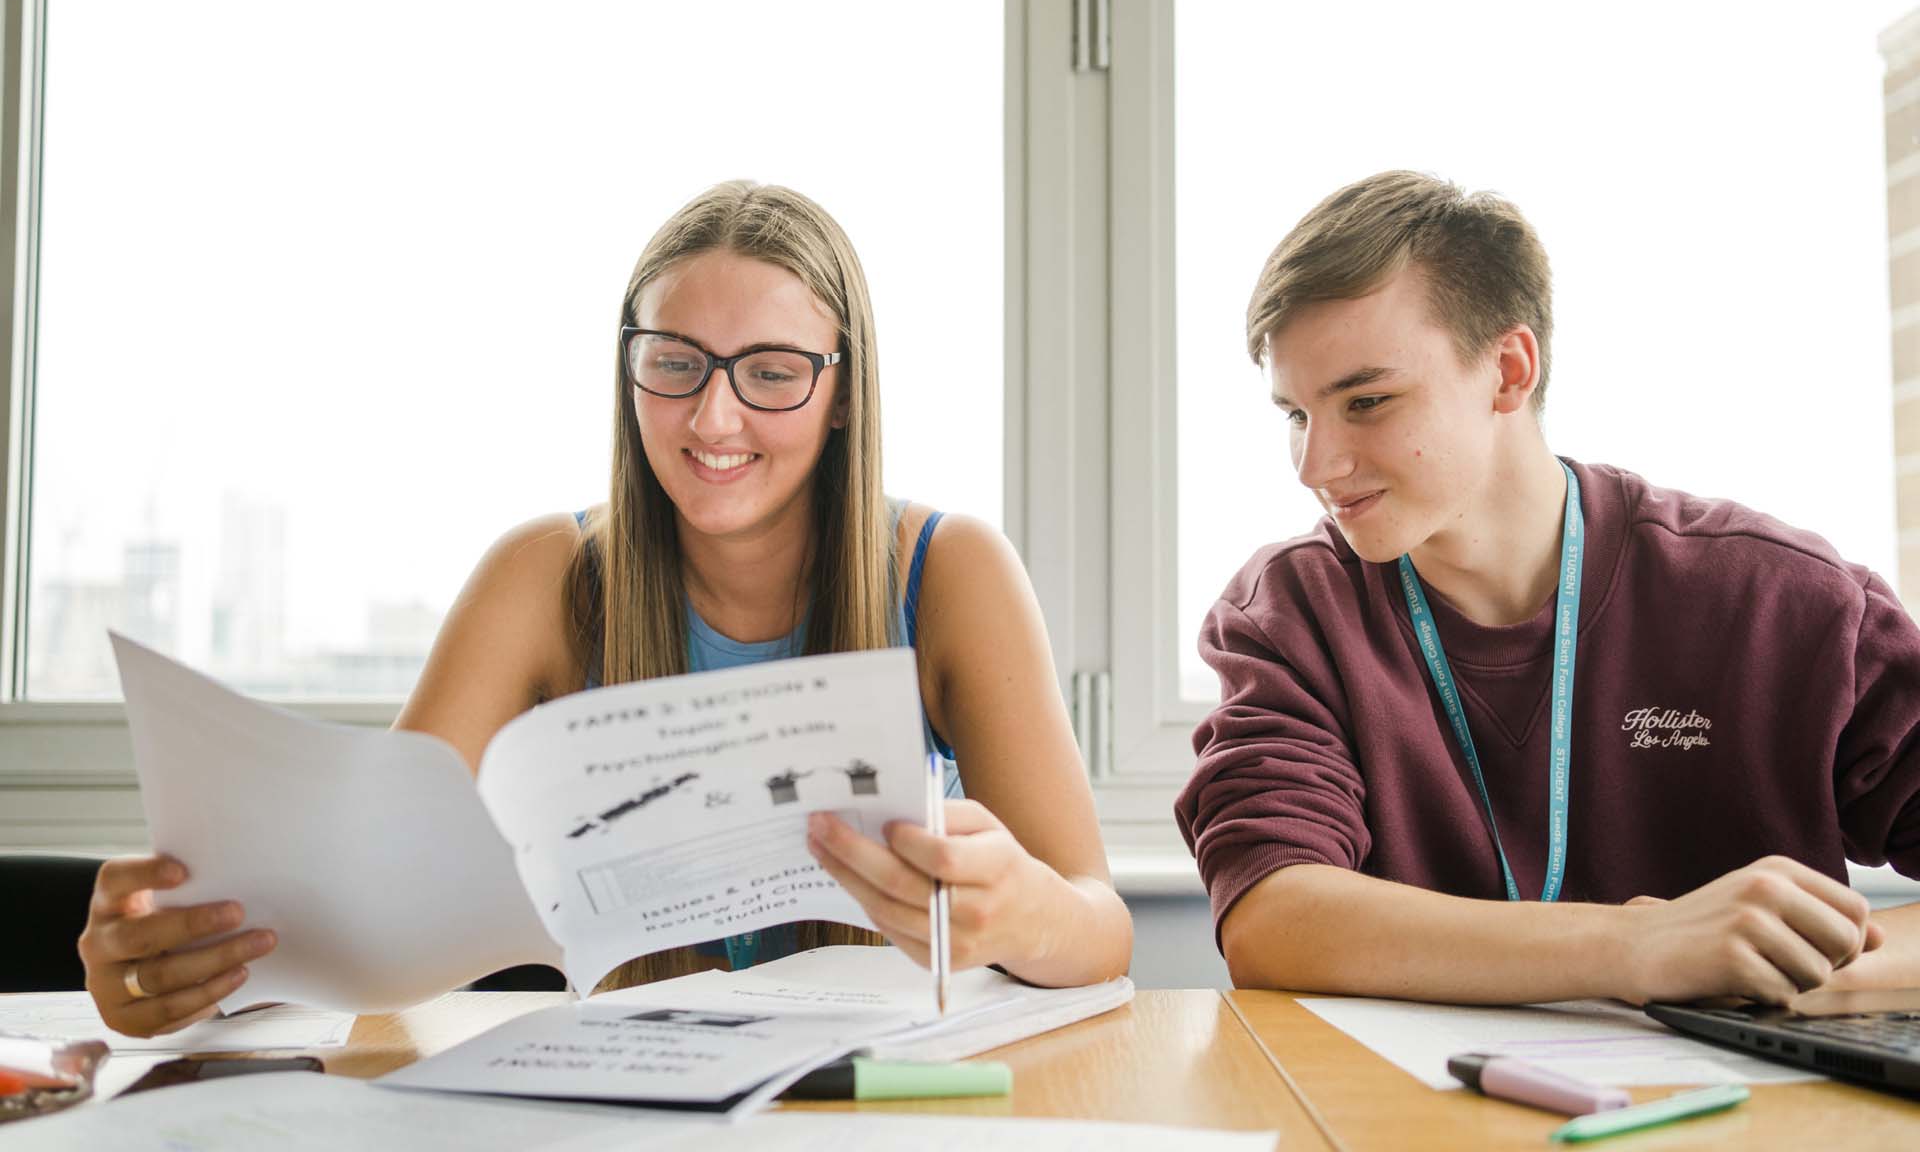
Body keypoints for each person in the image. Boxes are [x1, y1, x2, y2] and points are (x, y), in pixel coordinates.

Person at [80, 181, 1132, 1036]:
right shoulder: (543, 574)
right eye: (674, 363)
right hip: (626, 1089)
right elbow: (373, 908)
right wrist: (185, 964)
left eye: (770, 371)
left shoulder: (950, 570)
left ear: (844, 390)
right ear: (629, 367)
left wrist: (1024, 911)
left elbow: (1100, 924)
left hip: (865, 1091)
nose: (714, 415)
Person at [1176, 170, 1920, 1006]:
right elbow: (1271, 916)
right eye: (1297, 415)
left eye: (1368, 401)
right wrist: (1637, 947)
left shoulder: (1787, 601)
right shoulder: (1289, 615)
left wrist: (1797, 975)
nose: (1318, 467)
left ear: (1508, 371)